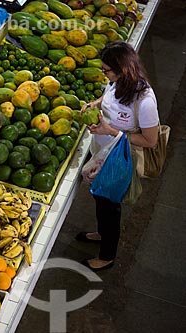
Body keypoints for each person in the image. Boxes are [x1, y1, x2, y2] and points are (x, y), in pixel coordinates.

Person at [77, 41, 159, 271]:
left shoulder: (145, 101)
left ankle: (107, 256)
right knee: (100, 197)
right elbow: (107, 97)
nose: (104, 74)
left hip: (120, 160)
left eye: (106, 70)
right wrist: (94, 104)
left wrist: (110, 131)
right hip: (103, 152)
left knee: (110, 205)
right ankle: (102, 233)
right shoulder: (117, 82)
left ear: (123, 69)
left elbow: (150, 141)